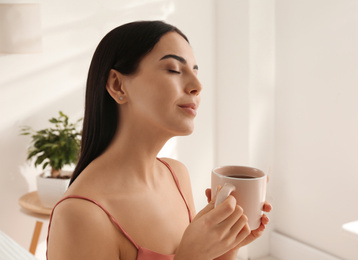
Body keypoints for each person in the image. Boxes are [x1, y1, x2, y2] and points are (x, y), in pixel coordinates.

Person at [46, 20, 272, 260]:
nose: (197, 86)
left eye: (195, 71)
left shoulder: (176, 176)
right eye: (174, 69)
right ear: (117, 85)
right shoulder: (80, 215)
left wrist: (226, 245)